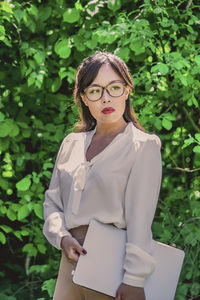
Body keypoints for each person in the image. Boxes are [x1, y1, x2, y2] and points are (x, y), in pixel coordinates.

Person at [43, 51, 162, 300]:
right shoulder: (71, 143)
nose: (106, 98)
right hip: (69, 264)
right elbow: (52, 203)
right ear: (84, 98)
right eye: (95, 91)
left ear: (127, 90)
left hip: (114, 268)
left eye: (114, 87)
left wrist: (134, 279)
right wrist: (62, 238)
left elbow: (140, 220)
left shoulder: (143, 145)